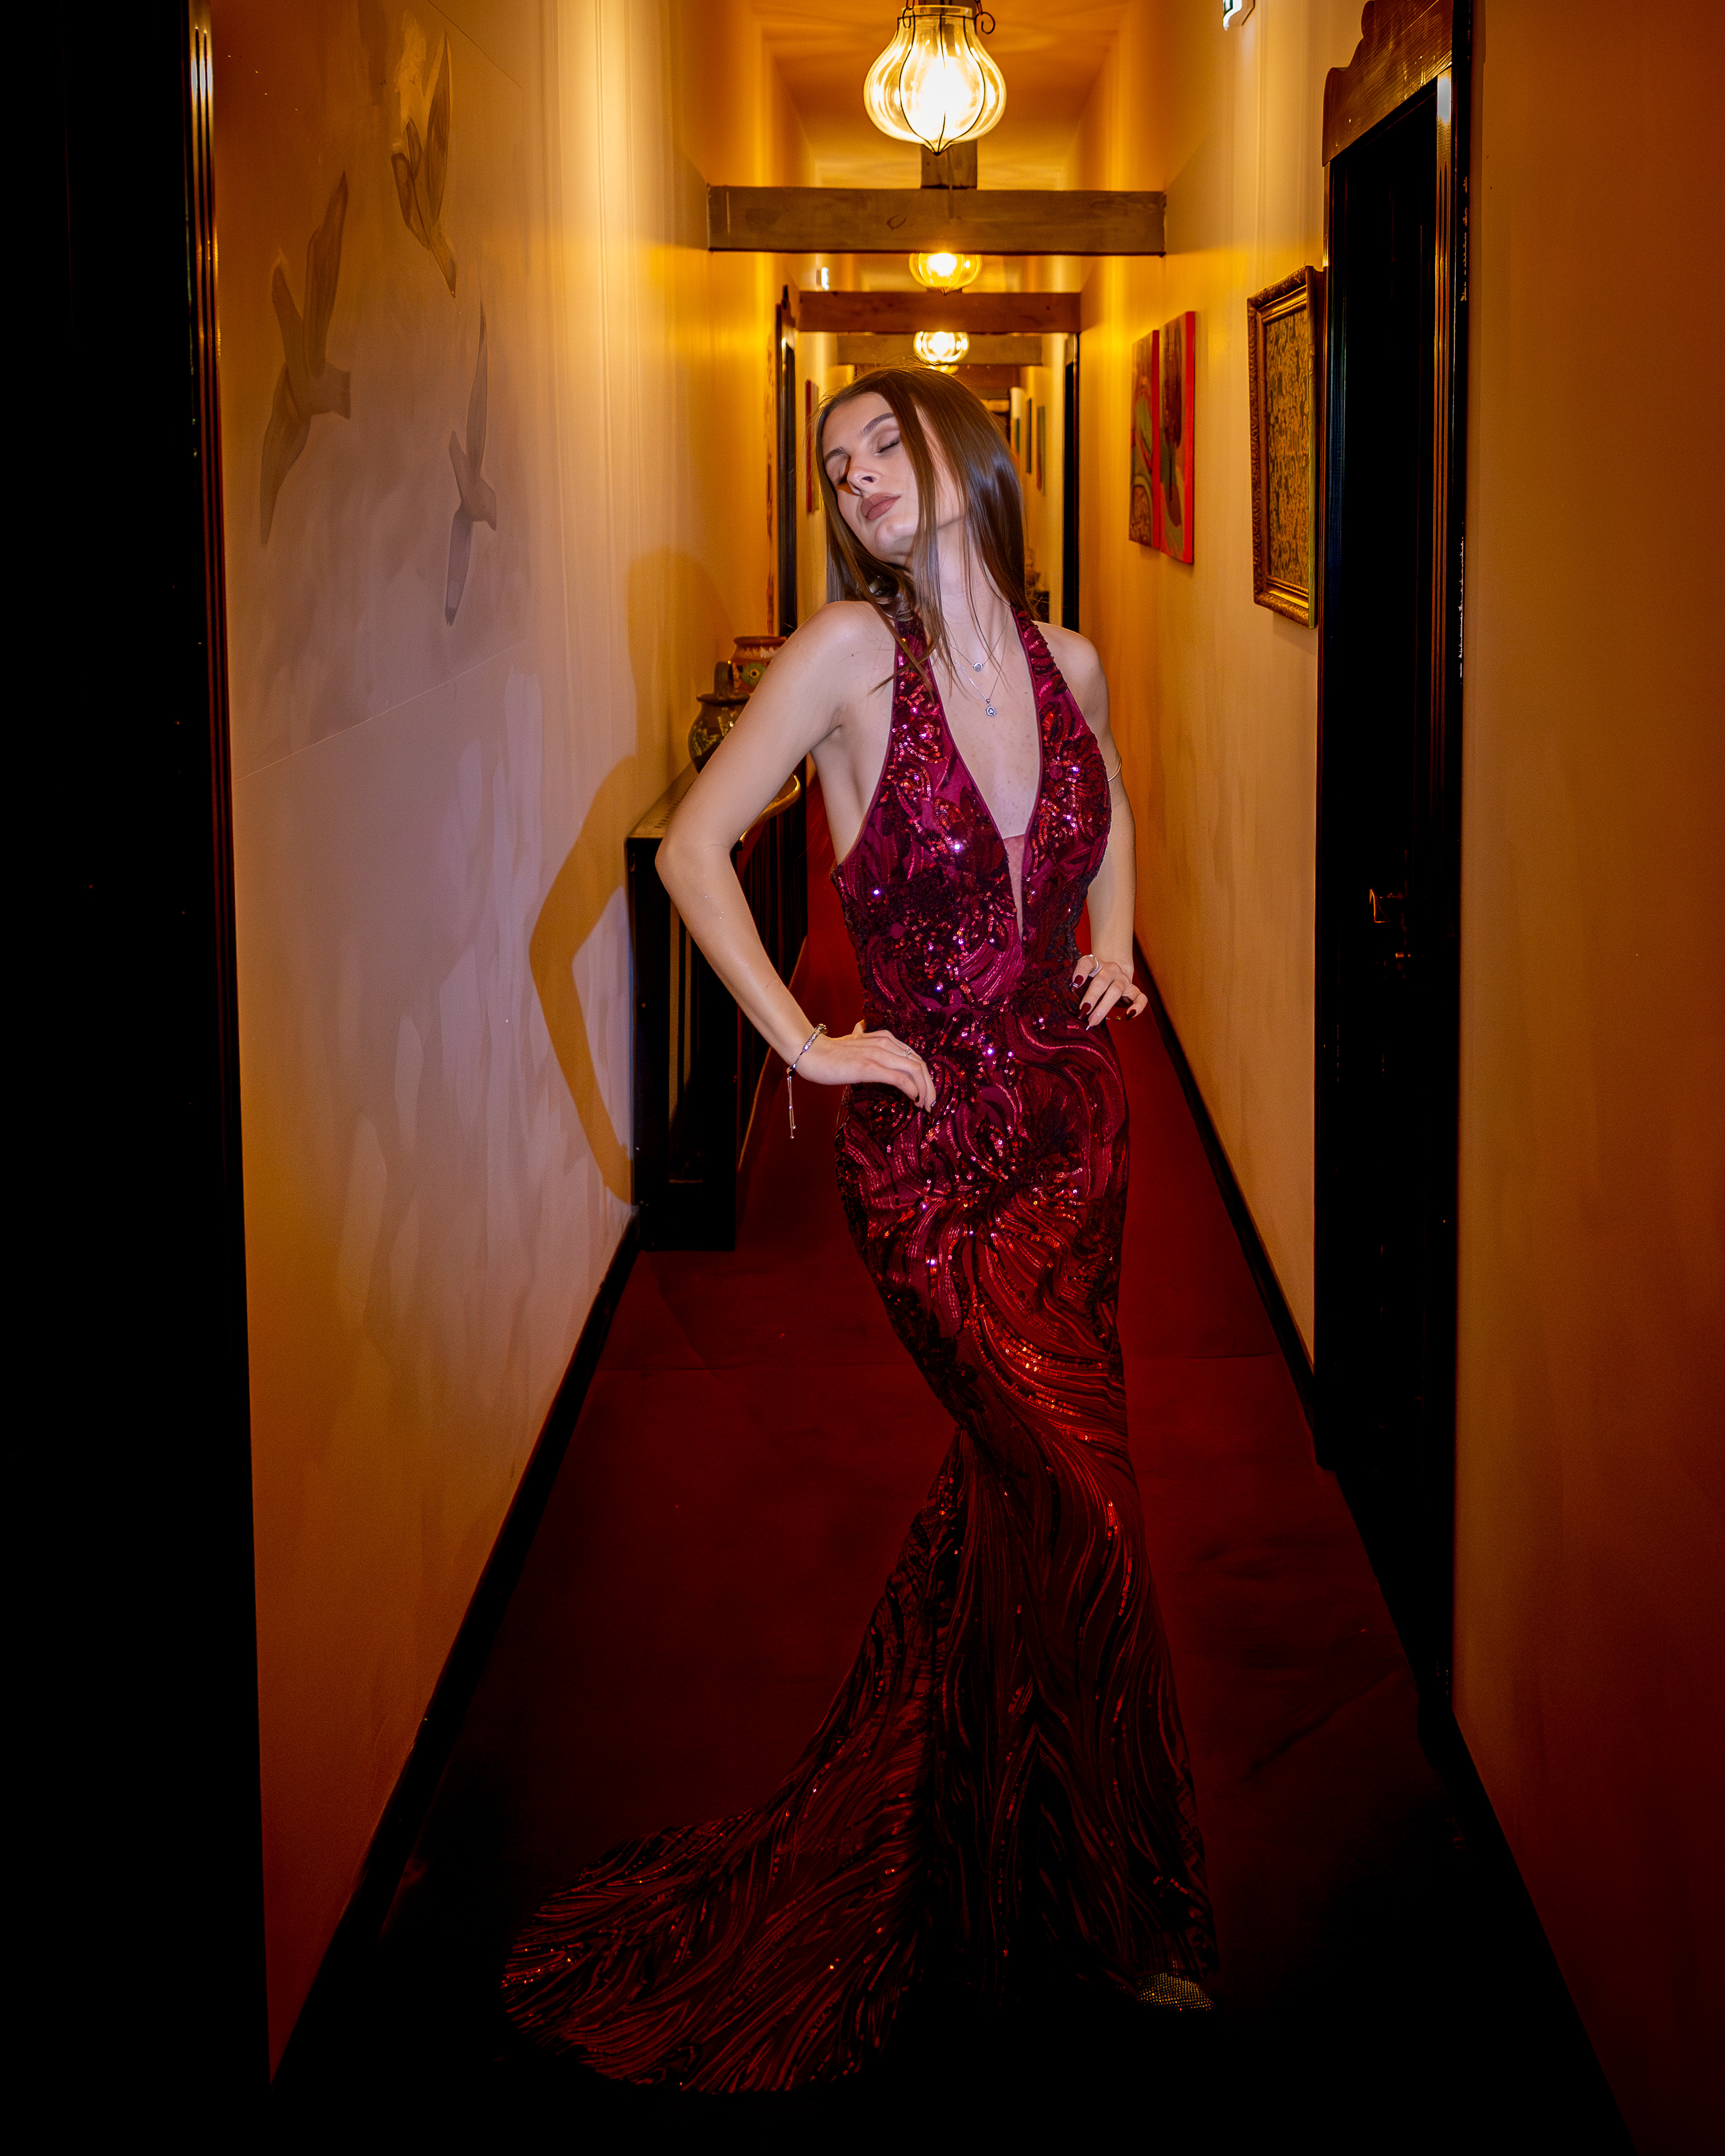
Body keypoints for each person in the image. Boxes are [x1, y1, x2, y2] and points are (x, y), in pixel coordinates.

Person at [501, 368, 1216, 2090]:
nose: (861, 474)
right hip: (929, 1169)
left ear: (970, 453)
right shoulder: (843, 657)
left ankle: (991, 1849)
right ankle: (1130, 1907)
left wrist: (1116, 939)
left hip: (1075, 1141)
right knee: (1092, 1511)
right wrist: (806, 1041)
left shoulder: (1073, 662)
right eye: (837, 463)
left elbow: (1109, 801)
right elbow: (691, 853)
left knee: (1018, 1511)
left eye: (888, 441)